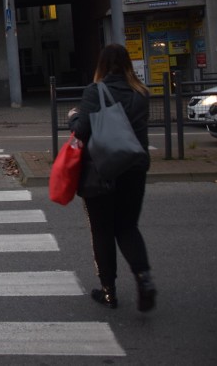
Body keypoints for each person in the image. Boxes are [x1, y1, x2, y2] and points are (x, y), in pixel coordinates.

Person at [68, 44, 156, 312]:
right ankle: (144, 279)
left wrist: (73, 117)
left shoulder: (95, 91)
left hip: (102, 170)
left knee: (102, 231)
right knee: (128, 227)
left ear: (102, 65)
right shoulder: (141, 93)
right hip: (134, 168)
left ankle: (109, 291)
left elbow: (82, 132)